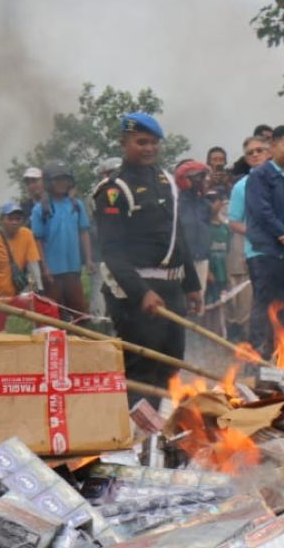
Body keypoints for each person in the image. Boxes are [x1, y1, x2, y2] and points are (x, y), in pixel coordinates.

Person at [94, 111, 202, 395]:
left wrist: (191, 285)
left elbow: (178, 237)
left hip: (171, 287)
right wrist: (141, 293)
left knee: (171, 365)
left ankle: (163, 434)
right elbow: (112, 251)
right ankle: (139, 436)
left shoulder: (166, 181)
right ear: (124, 143)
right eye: (141, 142)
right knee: (142, 370)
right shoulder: (113, 190)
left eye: (154, 142)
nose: (149, 148)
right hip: (134, 291)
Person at [243, 124, 284, 358]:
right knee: (264, 308)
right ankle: (258, 361)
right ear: (273, 146)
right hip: (266, 253)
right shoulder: (260, 175)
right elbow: (263, 213)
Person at [31, 162, 92, 322]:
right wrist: (44, 267)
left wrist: (89, 259)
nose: (61, 183)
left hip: (73, 267)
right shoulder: (41, 209)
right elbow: (38, 240)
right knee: (52, 313)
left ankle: (82, 341)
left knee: (79, 310)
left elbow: (83, 232)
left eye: (64, 179)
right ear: (48, 183)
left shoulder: (76, 205)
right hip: (52, 271)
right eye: (57, 180)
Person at [225, 136, 269, 340]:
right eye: (250, 153)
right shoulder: (241, 187)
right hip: (258, 254)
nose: (255, 155)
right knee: (259, 307)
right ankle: (257, 356)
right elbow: (233, 222)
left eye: (259, 150)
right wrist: (257, 234)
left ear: (269, 152)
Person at [0, 202, 44, 332]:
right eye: (10, 218)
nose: (14, 222)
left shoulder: (26, 234)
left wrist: (36, 289)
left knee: (23, 331)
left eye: (18, 219)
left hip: (17, 294)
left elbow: (32, 265)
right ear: (1, 220)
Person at [175, 160, 212, 313]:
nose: (204, 181)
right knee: (181, 302)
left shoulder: (204, 204)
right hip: (181, 261)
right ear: (185, 180)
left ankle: (196, 336)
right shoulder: (175, 203)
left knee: (197, 304)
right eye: (200, 177)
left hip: (201, 258)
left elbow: (206, 230)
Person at [87, 158, 120, 322]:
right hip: (101, 256)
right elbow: (90, 229)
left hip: (124, 257)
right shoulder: (94, 198)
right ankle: (99, 332)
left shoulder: (129, 194)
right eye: (110, 173)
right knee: (99, 300)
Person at [203, 189, 231, 337]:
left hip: (222, 272)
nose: (213, 205)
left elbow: (229, 250)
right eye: (209, 201)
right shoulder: (202, 227)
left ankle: (220, 334)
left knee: (222, 302)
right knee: (207, 304)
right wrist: (207, 271)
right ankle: (206, 335)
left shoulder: (225, 227)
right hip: (209, 272)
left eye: (215, 201)